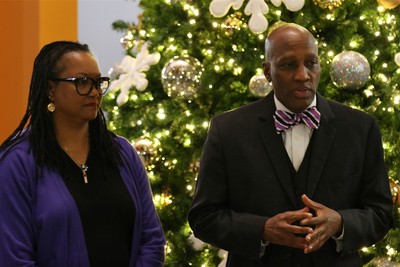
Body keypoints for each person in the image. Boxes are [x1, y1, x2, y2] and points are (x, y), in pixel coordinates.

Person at [188, 23, 393, 266]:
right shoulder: (228, 130)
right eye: (288, 65)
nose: (303, 75)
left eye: (311, 63)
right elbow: (204, 217)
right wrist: (262, 230)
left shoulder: (361, 128)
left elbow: (380, 215)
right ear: (267, 71)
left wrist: (340, 222)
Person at [0, 41, 165, 267]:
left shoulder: (122, 153)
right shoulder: (17, 162)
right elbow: (14, 258)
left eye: (98, 82)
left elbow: (152, 239)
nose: (95, 91)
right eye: (83, 82)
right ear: (50, 89)